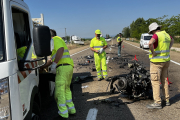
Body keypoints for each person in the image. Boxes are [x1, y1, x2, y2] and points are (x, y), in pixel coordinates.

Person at [43, 29, 76, 119]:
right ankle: (71, 110)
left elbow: (60, 50)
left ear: (49, 36)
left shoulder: (55, 39)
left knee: (59, 92)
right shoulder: (58, 41)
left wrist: (54, 64)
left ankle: (63, 114)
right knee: (66, 90)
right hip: (68, 67)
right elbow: (51, 60)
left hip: (62, 67)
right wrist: (42, 66)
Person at [146, 22, 174, 109]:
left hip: (157, 62)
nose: (152, 34)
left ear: (153, 30)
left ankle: (157, 102)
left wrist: (153, 52)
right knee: (164, 80)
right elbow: (172, 40)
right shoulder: (166, 34)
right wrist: (168, 48)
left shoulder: (156, 35)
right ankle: (167, 100)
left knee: (155, 81)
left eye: (151, 32)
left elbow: (150, 43)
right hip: (166, 61)